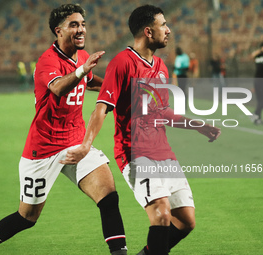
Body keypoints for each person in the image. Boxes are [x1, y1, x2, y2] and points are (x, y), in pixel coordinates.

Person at [61, 5, 221, 255]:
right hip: (135, 153)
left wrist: (198, 125)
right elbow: (101, 108)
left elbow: (162, 112)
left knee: (186, 221)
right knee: (161, 214)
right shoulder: (122, 63)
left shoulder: (160, 67)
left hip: (163, 153)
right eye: (163, 25)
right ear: (148, 31)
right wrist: (85, 146)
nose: (168, 30)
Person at [0, 4, 127, 255]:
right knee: (27, 218)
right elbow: (58, 88)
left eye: (83, 24)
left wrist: (115, 86)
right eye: (74, 25)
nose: (81, 30)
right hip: (42, 150)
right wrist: (81, 71)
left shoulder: (82, 57)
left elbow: (88, 80)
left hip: (76, 141)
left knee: (109, 198)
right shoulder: (47, 61)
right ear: (58, 31)